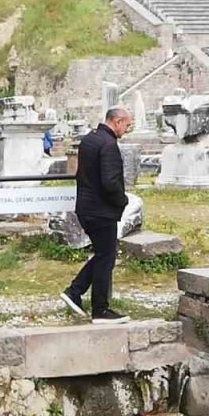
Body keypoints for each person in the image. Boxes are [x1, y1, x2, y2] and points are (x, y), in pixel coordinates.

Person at [59, 107, 133, 324]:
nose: (126, 130)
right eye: (126, 125)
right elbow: (110, 182)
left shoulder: (90, 139)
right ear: (117, 121)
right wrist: (123, 200)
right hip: (101, 211)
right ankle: (99, 309)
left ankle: (75, 291)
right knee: (106, 257)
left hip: (87, 208)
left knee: (103, 254)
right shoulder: (108, 145)